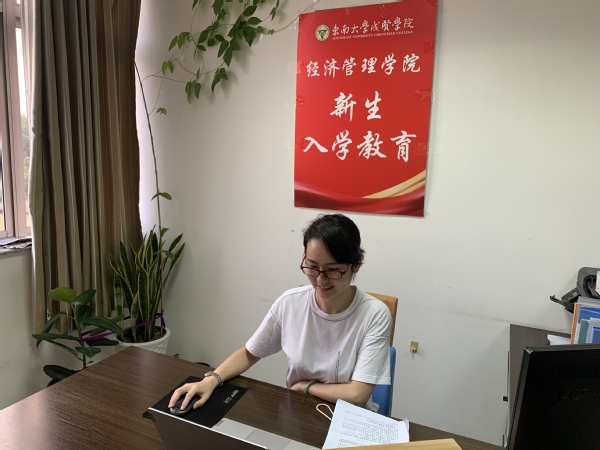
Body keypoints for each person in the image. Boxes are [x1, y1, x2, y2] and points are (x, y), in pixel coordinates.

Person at [169, 213, 391, 413]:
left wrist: (306, 387)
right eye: (312, 266)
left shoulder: (374, 314)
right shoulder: (290, 303)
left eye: (333, 270)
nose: (320, 279)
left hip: (349, 419)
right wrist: (211, 380)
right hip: (298, 411)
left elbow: (357, 395)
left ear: (357, 264)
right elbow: (250, 353)